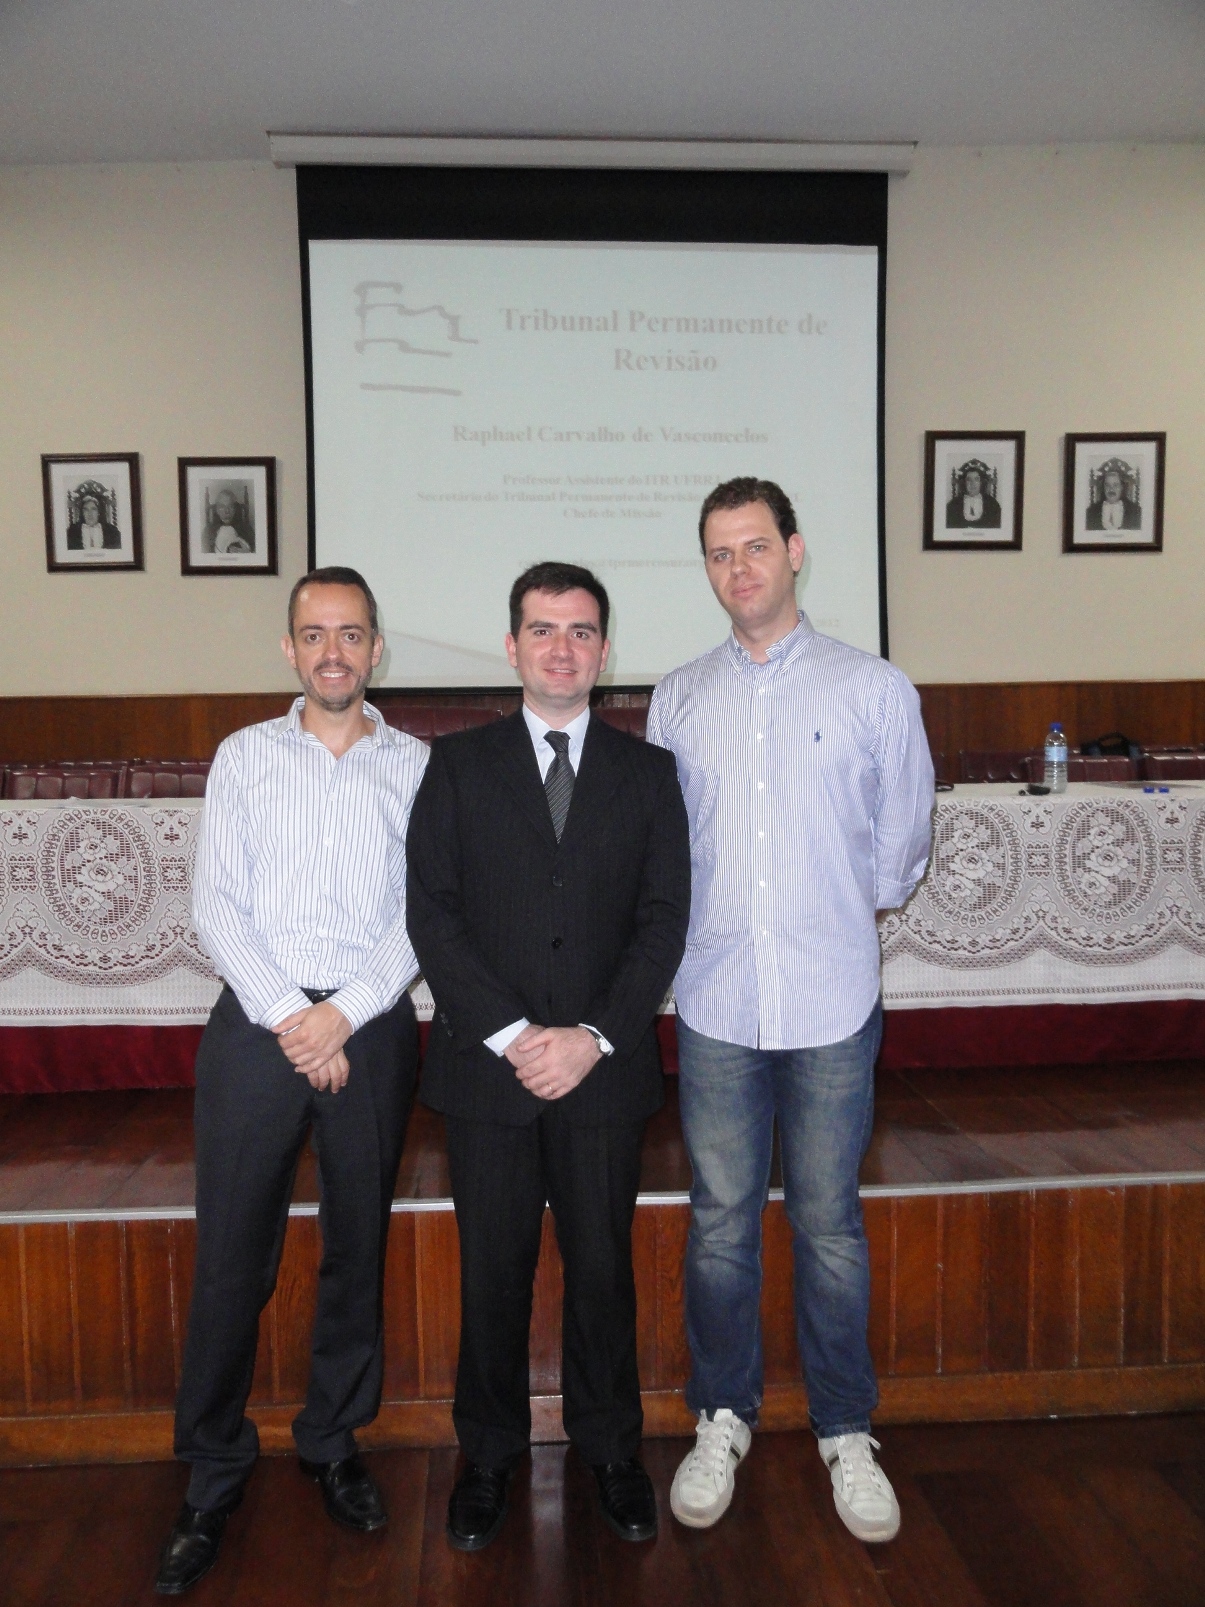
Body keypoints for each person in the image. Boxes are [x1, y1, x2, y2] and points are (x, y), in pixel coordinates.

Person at [646, 478, 933, 1545]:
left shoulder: (871, 688)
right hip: (718, 997)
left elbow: (900, 844)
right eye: (719, 553)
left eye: (755, 546)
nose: (739, 569)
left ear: (795, 551)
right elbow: (668, 845)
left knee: (828, 1225)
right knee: (719, 1222)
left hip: (828, 998)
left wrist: (832, 909)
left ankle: (844, 1428)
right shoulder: (677, 697)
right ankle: (720, 1415)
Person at [155, 566, 429, 1596]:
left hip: (370, 1027)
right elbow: (216, 903)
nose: (332, 651)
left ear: (376, 649)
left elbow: (423, 909)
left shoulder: (416, 765)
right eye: (314, 633)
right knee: (233, 1250)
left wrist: (343, 1012)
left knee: (357, 1244)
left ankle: (330, 1439)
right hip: (256, 1026)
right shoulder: (244, 755)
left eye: (351, 633)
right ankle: (212, 1462)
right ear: (289, 648)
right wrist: (292, 1017)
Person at [406, 560, 690, 1552]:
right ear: (511, 646)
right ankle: (487, 1455)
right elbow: (433, 915)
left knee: (602, 1270)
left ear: (604, 651)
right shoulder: (456, 765)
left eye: (579, 631)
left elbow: (662, 921)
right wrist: (515, 1036)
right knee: (492, 1273)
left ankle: (610, 1448)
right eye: (541, 629)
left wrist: (592, 1036)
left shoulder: (649, 774)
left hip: (602, 1072)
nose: (560, 647)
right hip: (489, 1073)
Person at [944, 462, 1001, 529]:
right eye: (969, 480)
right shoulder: (952, 505)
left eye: (976, 479)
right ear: (964, 483)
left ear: (981, 483)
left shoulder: (993, 504)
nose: (972, 483)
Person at [1085, 463, 1142, 530]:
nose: (1111, 489)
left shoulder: (1136, 512)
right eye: (1107, 485)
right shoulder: (1091, 512)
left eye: (1115, 485)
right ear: (1103, 487)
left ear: (1122, 487)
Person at [206, 487, 254, 554]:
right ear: (217, 510)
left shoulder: (246, 529)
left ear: (235, 509)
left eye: (230, 506)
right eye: (222, 507)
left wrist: (248, 553)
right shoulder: (208, 531)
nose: (227, 511)